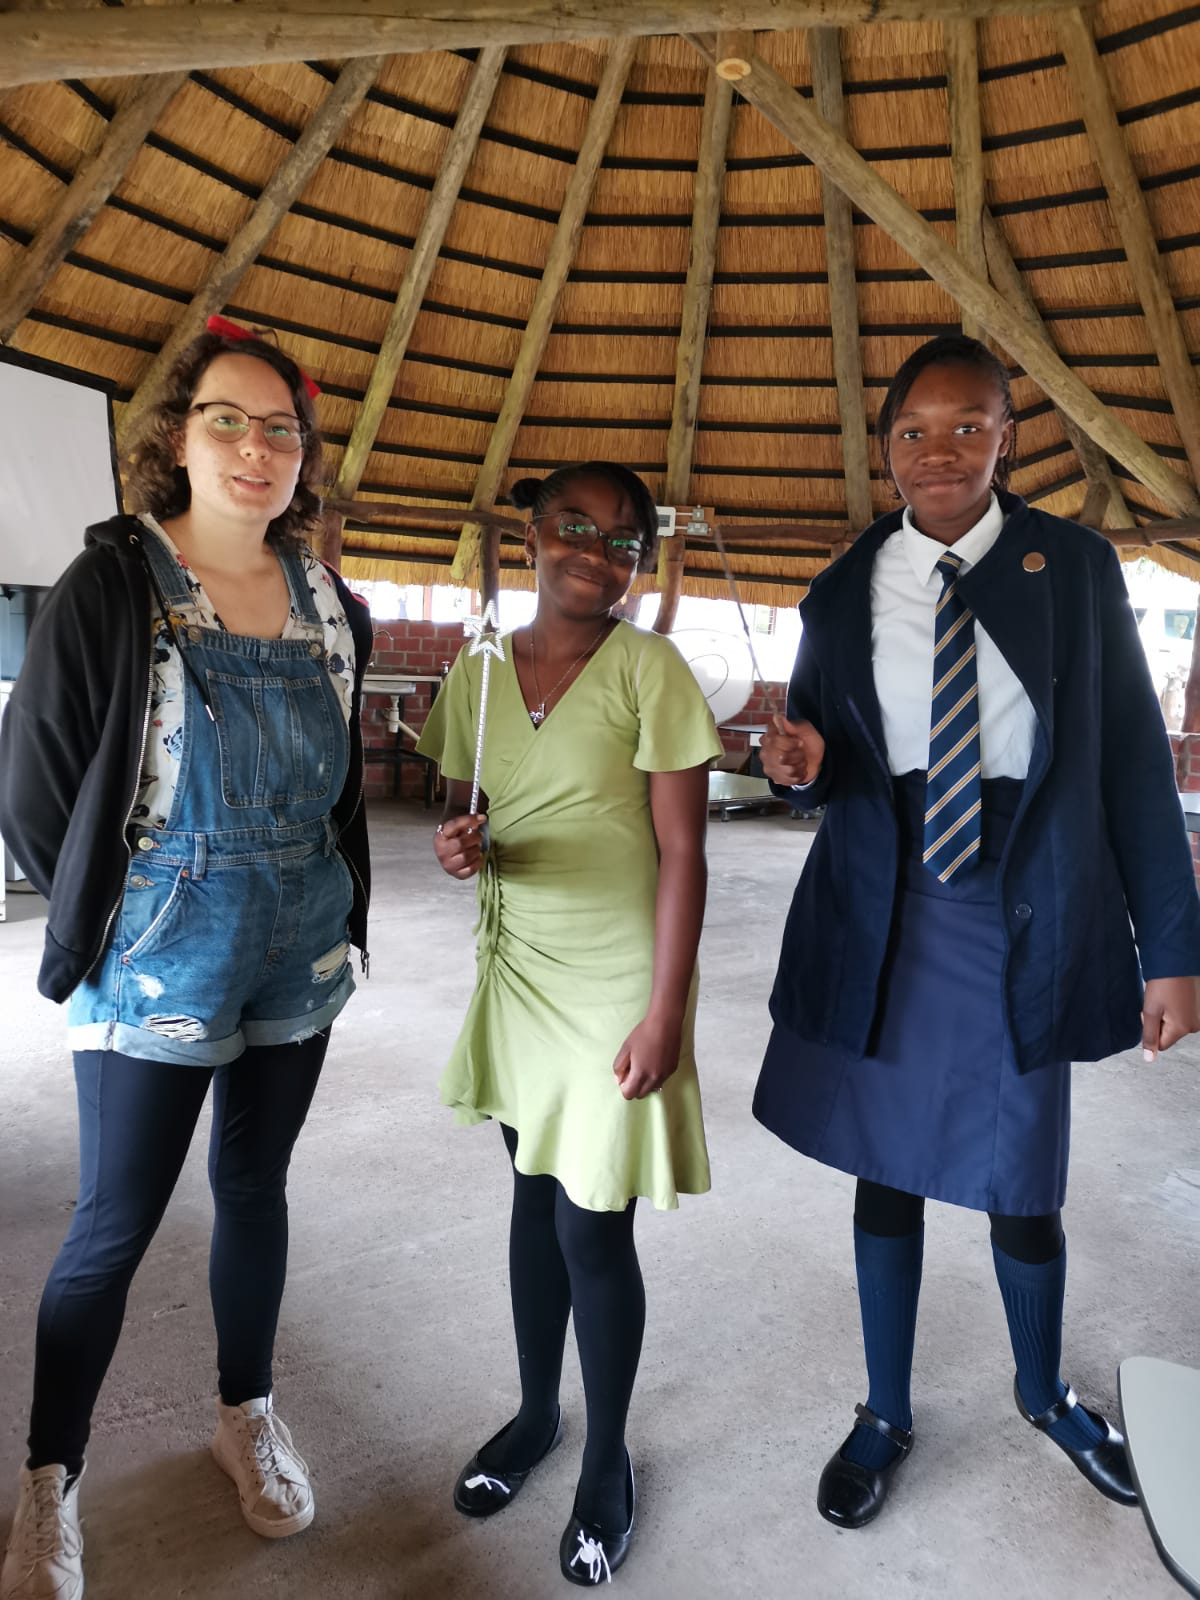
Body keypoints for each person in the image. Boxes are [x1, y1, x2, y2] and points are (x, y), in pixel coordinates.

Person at [753, 334, 1200, 1530]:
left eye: (967, 426)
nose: (939, 451)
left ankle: (1045, 1393)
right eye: (914, 430)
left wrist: (1176, 952)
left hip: (1025, 903)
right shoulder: (844, 587)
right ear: (886, 447)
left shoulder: (1077, 568)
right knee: (886, 1169)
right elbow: (821, 753)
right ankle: (884, 1411)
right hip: (888, 907)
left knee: (1021, 1181)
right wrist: (799, 766)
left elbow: (1135, 770)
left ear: (1010, 436)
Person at [0, 320, 373, 1600]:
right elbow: (35, 787)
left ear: (303, 455)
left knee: (255, 1186)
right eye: (229, 420)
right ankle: (50, 1479)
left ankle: (243, 1413)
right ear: (178, 434)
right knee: (112, 1225)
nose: (256, 448)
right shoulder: (113, 583)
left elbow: (340, 793)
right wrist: (117, 913)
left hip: (299, 944)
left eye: (281, 430)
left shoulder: (334, 605)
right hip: (158, 950)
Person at [417, 463, 721, 1586]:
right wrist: (457, 847)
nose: (600, 552)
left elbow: (685, 852)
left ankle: (606, 1460)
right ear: (533, 536)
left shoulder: (651, 669)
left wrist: (666, 1010)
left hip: (613, 982)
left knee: (594, 1225)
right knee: (531, 1193)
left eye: (626, 539)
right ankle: (538, 1413)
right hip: (517, 969)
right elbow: (465, 809)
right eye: (576, 528)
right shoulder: (481, 670)